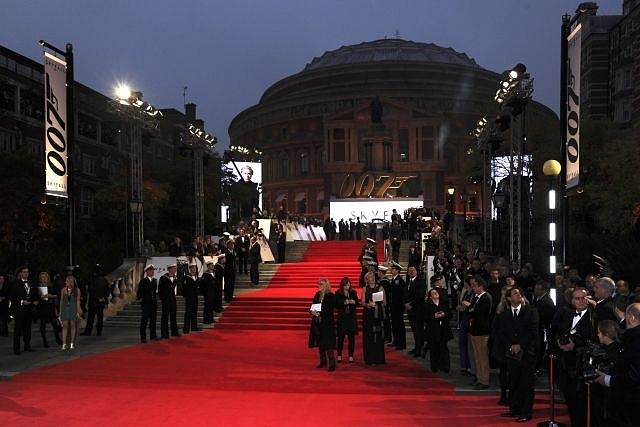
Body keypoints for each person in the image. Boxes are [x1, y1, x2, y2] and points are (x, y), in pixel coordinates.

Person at [552, 287, 597, 427]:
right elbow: (557, 332)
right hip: (566, 366)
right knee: (570, 401)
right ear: (572, 301)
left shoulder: (593, 317)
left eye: (583, 297)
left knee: (584, 403)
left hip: (583, 367)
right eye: (577, 298)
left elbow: (595, 340)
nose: (581, 301)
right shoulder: (567, 314)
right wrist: (560, 343)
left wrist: (575, 346)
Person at [496, 287, 538, 422]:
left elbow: (533, 332)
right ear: (509, 298)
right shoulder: (504, 315)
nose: (519, 294)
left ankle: (526, 411)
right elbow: (501, 333)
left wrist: (520, 345)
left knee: (526, 383)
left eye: (520, 293)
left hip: (527, 352)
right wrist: (511, 345)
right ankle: (514, 408)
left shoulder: (531, 311)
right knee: (513, 381)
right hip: (511, 353)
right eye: (515, 293)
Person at [596, 303, 640, 427]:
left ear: (631, 318)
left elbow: (635, 375)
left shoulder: (634, 340)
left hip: (631, 399)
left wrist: (607, 380)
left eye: (626, 317)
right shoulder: (632, 336)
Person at [464, 276, 492, 390]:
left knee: (482, 357)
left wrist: (469, 308)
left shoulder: (485, 297)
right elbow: (471, 311)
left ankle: (484, 380)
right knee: (477, 356)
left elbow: (477, 312)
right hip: (475, 330)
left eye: (474, 286)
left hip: (482, 331)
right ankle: (479, 378)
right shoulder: (477, 298)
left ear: (480, 286)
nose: (473, 288)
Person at [308, 278, 336, 372]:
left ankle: (332, 364)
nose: (319, 286)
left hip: (327, 323)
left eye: (321, 284)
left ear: (326, 286)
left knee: (328, 344)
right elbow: (312, 306)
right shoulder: (317, 295)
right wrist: (312, 312)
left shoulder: (331, 296)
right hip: (318, 322)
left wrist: (320, 312)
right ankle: (323, 361)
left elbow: (330, 309)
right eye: (319, 284)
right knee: (320, 342)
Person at [9, 266, 38, 354]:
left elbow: (34, 294)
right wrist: (22, 301)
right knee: (18, 329)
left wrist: (33, 302)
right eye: (24, 272)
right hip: (19, 309)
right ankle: (16, 348)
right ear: (20, 273)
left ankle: (27, 346)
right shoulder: (15, 283)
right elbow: (12, 297)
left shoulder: (31, 283)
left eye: (27, 272)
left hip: (29, 309)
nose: (26, 273)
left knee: (27, 329)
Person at [424, 288, 452, 373]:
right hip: (433, 329)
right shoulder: (428, 305)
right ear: (430, 296)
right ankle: (435, 366)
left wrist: (444, 314)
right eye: (433, 293)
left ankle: (446, 366)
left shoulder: (444, 303)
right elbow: (425, 317)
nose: (436, 293)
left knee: (444, 348)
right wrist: (434, 316)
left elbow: (449, 314)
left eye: (436, 292)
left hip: (443, 329)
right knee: (434, 349)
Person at [532, 281, 556, 372]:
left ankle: (537, 367)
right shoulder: (537, 299)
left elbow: (546, 318)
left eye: (537, 289)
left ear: (543, 290)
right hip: (538, 329)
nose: (535, 290)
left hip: (542, 330)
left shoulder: (547, 302)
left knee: (540, 349)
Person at [362, 272, 386, 365]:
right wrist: (368, 305)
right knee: (369, 336)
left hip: (377, 315)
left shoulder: (380, 287)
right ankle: (369, 358)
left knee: (378, 336)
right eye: (369, 277)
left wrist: (376, 304)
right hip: (368, 314)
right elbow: (363, 302)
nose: (371, 279)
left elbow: (384, 302)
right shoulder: (364, 288)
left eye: (372, 277)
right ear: (366, 279)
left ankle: (378, 358)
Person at [81, 264, 110, 337]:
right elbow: (107, 291)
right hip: (101, 302)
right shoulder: (104, 280)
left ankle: (88, 331)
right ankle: (99, 332)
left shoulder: (92, 280)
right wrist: (103, 298)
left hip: (94, 302)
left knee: (91, 318)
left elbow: (91, 291)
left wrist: (98, 298)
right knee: (100, 318)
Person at [335, 277, 359, 363]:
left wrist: (354, 302)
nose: (347, 287)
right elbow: (336, 305)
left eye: (349, 285)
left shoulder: (353, 292)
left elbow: (358, 303)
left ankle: (350, 356)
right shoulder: (338, 293)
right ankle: (339, 355)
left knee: (351, 338)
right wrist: (343, 303)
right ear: (342, 285)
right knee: (341, 337)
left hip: (351, 318)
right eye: (346, 285)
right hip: (342, 318)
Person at [405, 266, 426, 358]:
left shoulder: (421, 281)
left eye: (413, 270)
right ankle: (416, 347)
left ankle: (419, 348)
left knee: (419, 330)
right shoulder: (408, 282)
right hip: (410, 310)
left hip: (418, 310)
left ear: (417, 271)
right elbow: (404, 294)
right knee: (414, 330)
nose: (411, 272)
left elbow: (421, 295)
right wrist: (405, 304)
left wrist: (411, 304)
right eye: (409, 270)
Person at [456, 275, 475, 377]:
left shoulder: (473, 293)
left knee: (469, 346)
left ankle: (470, 367)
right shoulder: (466, 292)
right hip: (464, 320)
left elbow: (471, 306)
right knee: (462, 343)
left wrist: (465, 307)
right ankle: (464, 366)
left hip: (470, 320)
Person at [37, 271, 61, 347]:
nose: (44, 278)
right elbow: (36, 297)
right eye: (42, 277)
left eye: (46, 277)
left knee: (54, 323)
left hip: (51, 306)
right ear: (40, 278)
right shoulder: (38, 287)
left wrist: (50, 296)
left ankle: (57, 338)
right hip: (42, 307)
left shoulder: (51, 286)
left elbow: (57, 295)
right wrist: (41, 297)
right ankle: (44, 341)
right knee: (43, 324)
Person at [158, 263, 180, 338]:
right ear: (170, 269)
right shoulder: (163, 278)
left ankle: (174, 332)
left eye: (175, 269)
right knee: (165, 317)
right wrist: (163, 299)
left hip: (172, 300)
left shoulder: (175, 278)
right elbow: (160, 290)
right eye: (174, 269)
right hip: (166, 300)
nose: (175, 270)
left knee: (173, 317)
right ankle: (164, 334)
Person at [59, 276, 81, 351]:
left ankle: (72, 343)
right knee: (64, 326)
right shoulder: (63, 290)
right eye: (67, 281)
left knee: (72, 326)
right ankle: (64, 343)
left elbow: (78, 301)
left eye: (70, 281)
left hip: (73, 309)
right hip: (65, 309)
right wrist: (60, 311)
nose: (68, 283)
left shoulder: (77, 290)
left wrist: (78, 311)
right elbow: (61, 301)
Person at [137, 264, 158, 343]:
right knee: (144, 321)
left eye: (153, 270)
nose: (153, 272)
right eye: (151, 270)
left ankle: (153, 335)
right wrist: (142, 301)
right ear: (147, 271)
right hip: (146, 304)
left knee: (153, 320)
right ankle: (143, 337)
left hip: (153, 304)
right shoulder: (143, 281)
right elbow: (139, 293)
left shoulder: (154, 280)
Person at [389, 262, 406, 350]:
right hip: (393, 306)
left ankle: (401, 343)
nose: (392, 270)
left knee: (399, 325)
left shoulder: (400, 280)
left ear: (398, 270)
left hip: (398, 307)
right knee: (395, 324)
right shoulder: (393, 279)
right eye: (392, 269)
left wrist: (402, 306)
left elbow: (402, 294)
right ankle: (396, 340)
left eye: (394, 269)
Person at [180, 262, 200, 333]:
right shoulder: (187, 277)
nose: (194, 269)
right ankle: (186, 329)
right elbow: (182, 287)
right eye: (193, 268)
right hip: (189, 298)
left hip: (195, 298)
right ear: (190, 269)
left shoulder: (196, 277)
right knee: (188, 313)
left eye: (195, 268)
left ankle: (194, 327)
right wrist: (185, 295)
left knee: (194, 313)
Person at [200, 260, 216, 325]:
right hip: (207, 293)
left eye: (213, 265)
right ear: (208, 266)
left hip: (213, 292)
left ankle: (211, 319)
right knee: (207, 307)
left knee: (211, 306)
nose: (212, 266)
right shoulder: (205, 274)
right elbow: (202, 285)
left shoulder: (213, 273)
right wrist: (205, 293)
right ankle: (206, 320)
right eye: (211, 265)